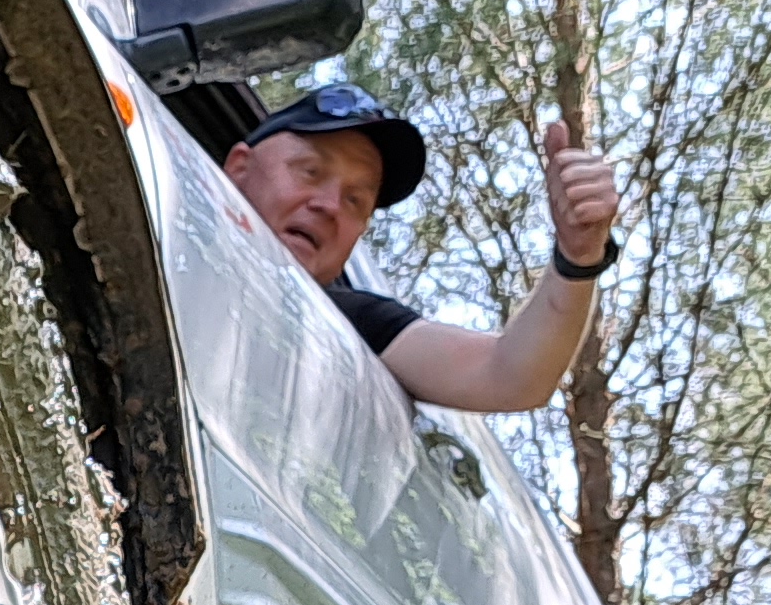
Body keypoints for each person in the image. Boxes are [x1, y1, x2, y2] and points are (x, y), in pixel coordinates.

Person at [218, 82, 622, 416]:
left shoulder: (349, 325)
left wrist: (579, 256)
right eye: (310, 171)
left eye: (356, 200)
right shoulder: (162, 217)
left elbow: (509, 377)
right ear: (238, 167)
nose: (328, 206)